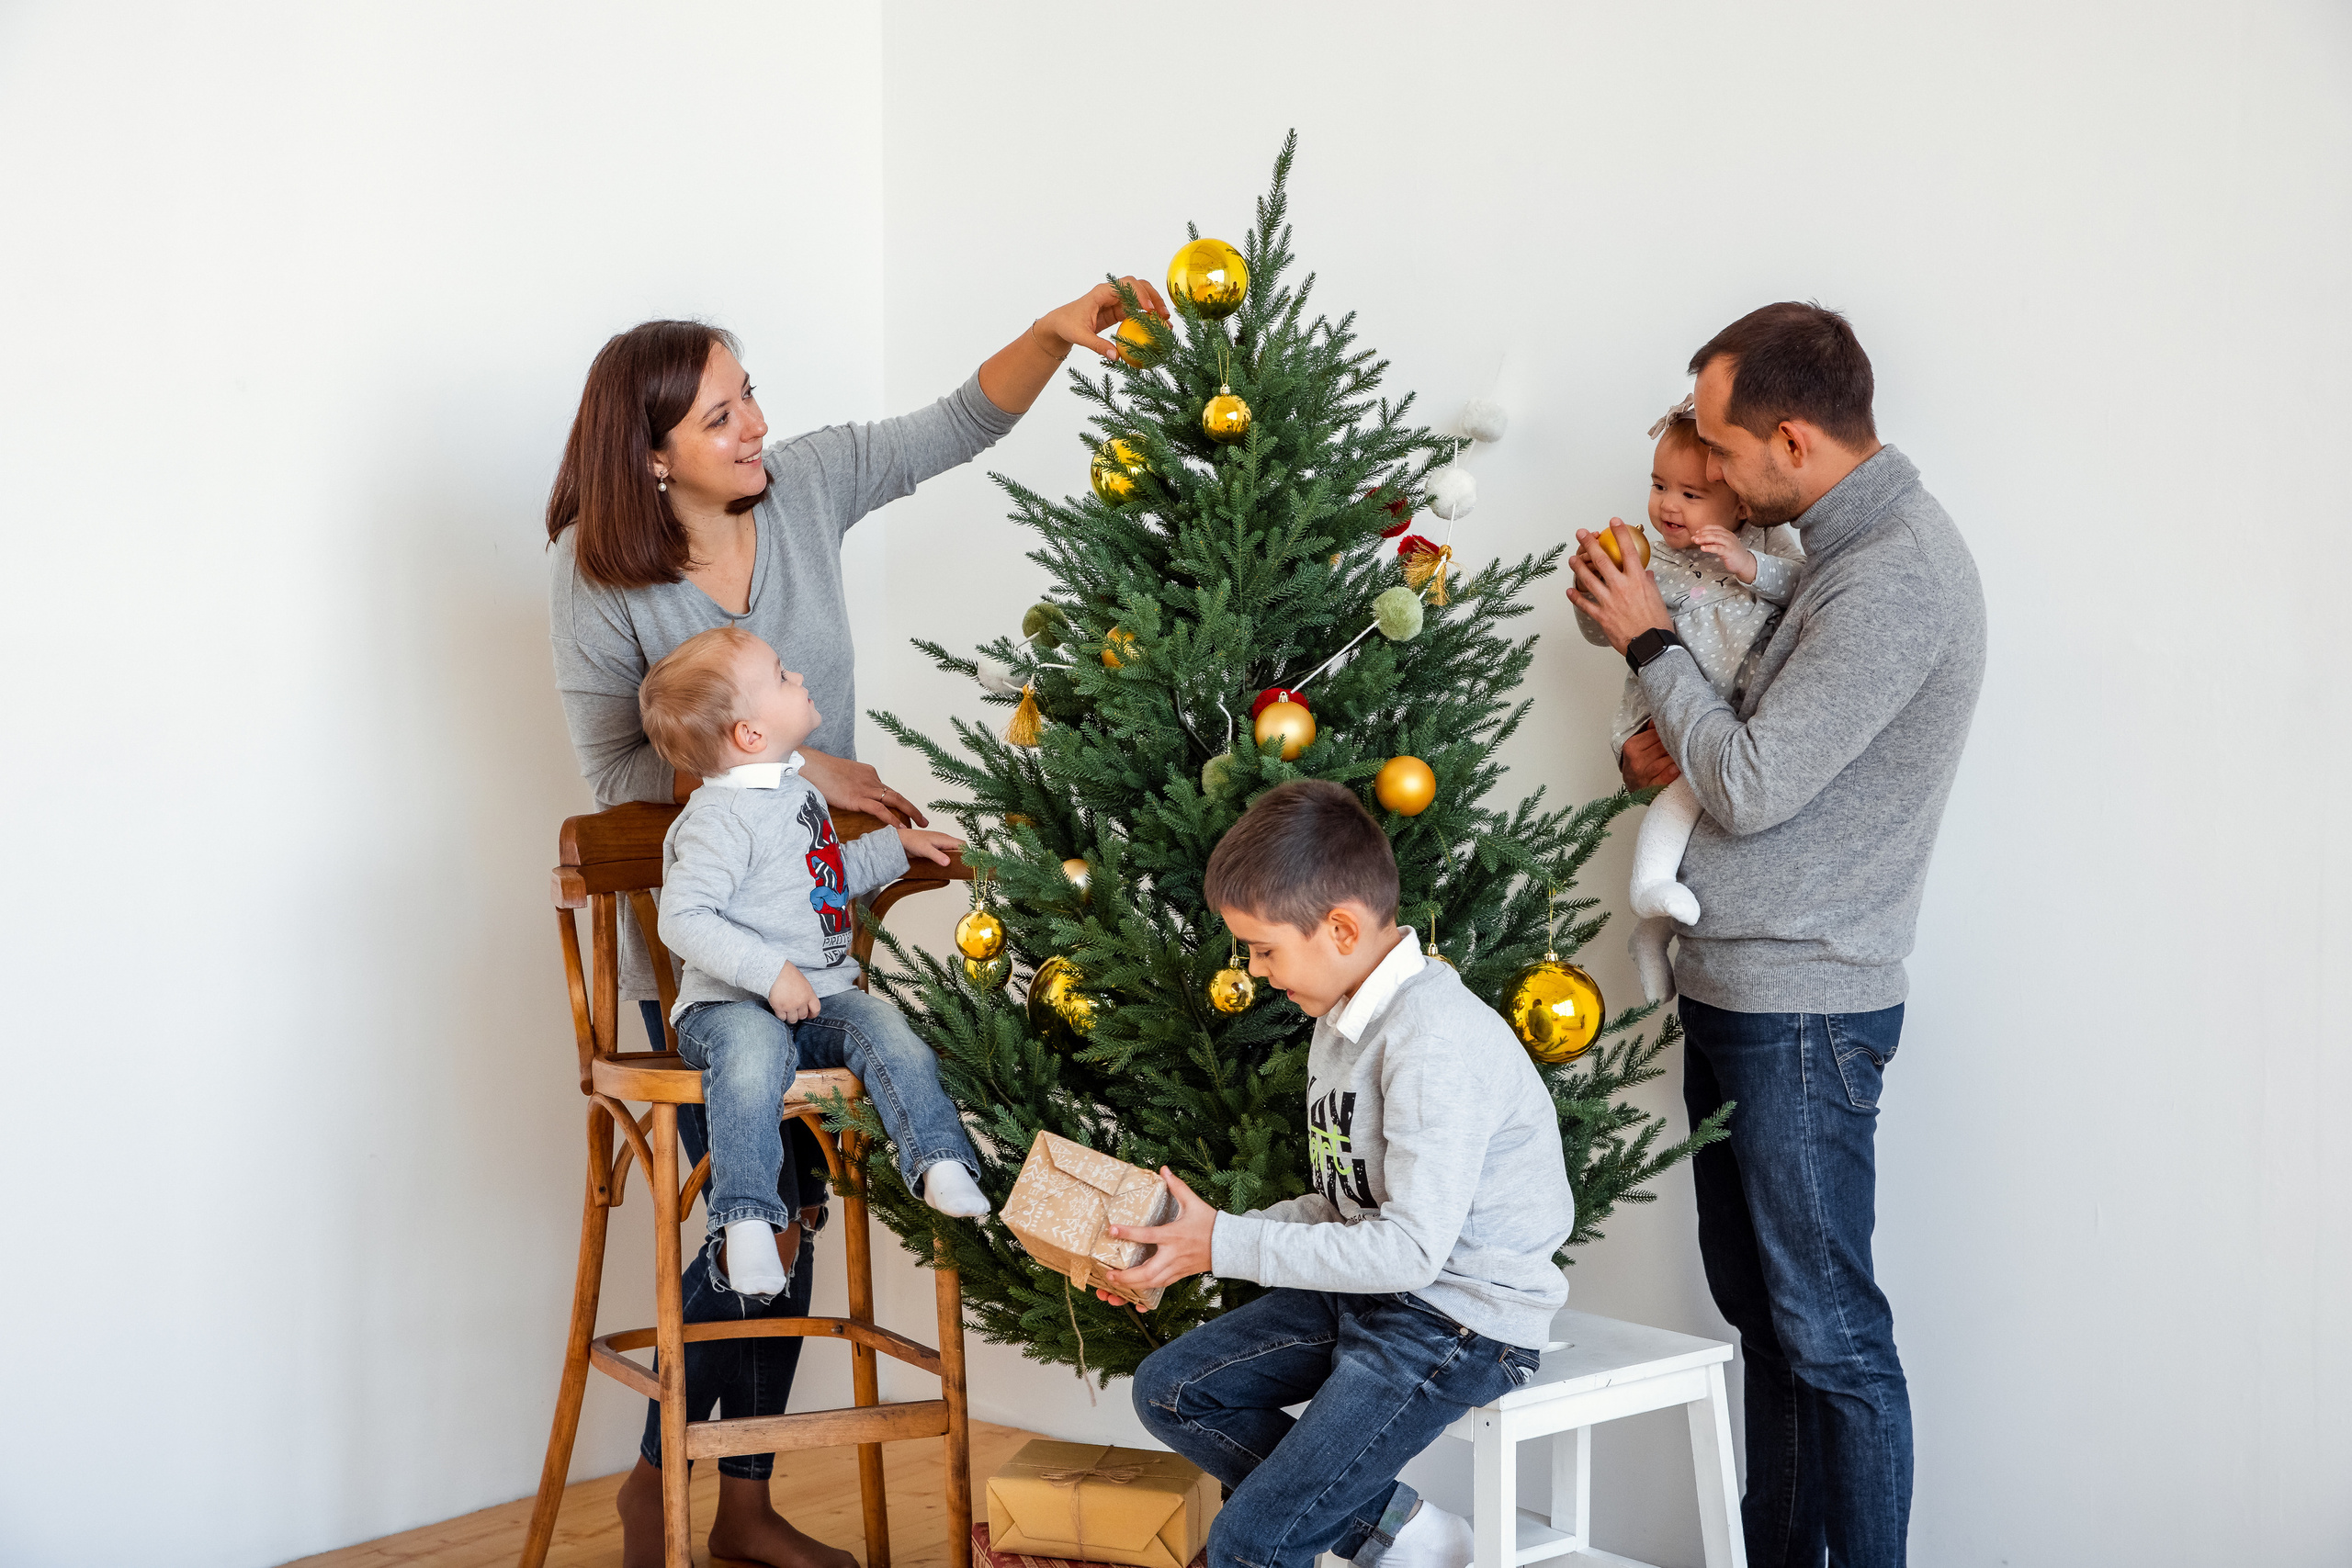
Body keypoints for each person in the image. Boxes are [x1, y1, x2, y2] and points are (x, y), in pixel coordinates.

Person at [545, 276, 1166, 1568]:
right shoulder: (601, 575)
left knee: (799, 1210)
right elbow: (618, 785)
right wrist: (794, 770)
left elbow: (954, 424)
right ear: (651, 458)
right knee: (758, 1207)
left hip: (828, 937)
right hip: (706, 952)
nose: (757, 426)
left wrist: (1053, 334)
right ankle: (677, 1477)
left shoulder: (811, 485)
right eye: (722, 416)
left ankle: (743, 1497)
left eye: (750, 393)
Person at [1566, 301, 1985, 1568]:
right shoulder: (1831, 558)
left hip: (1804, 1009)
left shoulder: (1895, 574)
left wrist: (1650, 635)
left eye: (1719, 443)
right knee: (1773, 1321)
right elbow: (1748, 743)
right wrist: (1666, 719)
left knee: (1832, 1336)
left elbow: (1750, 784)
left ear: (1792, 441)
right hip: (1748, 992)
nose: (1711, 474)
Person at [1102, 781, 1574, 1568]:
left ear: (1341, 927)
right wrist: (1192, 1242)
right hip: (1381, 1291)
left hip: (1460, 1319)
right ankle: (1400, 1532)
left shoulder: (1432, 1038)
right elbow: (1344, 1206)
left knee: (1250, 1541)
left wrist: (1224, 1245)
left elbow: (1410, 1250)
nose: (1253, 969)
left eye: (1262, 948)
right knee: (1171, 1390)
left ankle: (1309, 1539)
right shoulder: (1340, 1021)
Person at [640, 626, 988, 1303]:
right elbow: (683, 918)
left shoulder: (795, 793)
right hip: (731, 1008)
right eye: (780, 676)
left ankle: (938, 1156)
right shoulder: (721, 817)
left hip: (824, 996)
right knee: (749, 1053)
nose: (797, 678)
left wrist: (897, 846)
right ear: (748, 734)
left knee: (888, 1029)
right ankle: (745, 1220)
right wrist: (772, 972)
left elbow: (826, 875)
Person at [1573, 396, 1803, 1005]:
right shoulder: (1660, 562)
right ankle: (1650, 907)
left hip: (1719, 728)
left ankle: (1653, 932)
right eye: (1657, 485)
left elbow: (1805, 586)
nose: (1667, 506)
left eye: (1690, 494)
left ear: (1740, 500)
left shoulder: (1772, 547)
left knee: (1700, 833)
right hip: (1663, 720)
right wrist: (1594, 591)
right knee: (1680, 801)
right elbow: (1605, 630)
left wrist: (1750, 564)